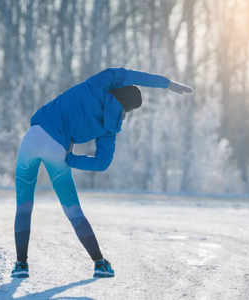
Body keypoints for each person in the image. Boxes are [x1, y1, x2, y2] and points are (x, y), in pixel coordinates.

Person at [11, 67, 193, 279]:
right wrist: (71, 159)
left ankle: (21, 264)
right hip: (58, 151)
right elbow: (102, 163)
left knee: (24, 205)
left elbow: (135, 76)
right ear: (128, 109)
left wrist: (167, 83)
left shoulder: (101, 83)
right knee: (73, 211)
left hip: (34, 136)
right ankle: (99, 263)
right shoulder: (110, 128)